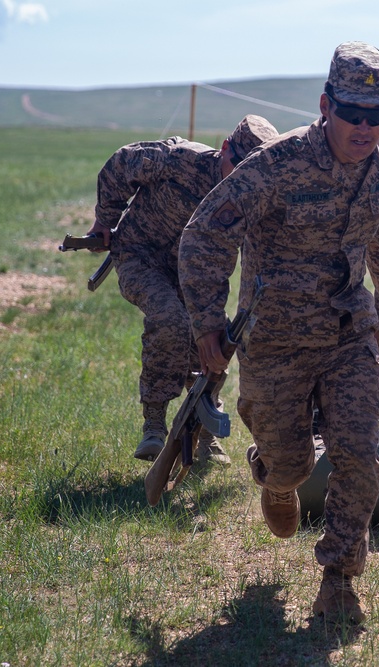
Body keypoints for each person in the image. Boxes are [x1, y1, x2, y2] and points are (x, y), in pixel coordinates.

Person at [178, 41, 379, 624]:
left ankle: (338, 578)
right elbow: (204, 236)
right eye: (353, 114)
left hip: (347, 334)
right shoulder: (274, 167)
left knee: (360, 455)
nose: (364, 128)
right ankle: (276, 476)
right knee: (292, 463)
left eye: (377, 116)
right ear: (326, 105)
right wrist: (208, 320)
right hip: (276, 340)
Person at [87, 114, 279, 462]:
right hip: (140, 256)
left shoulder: (251, 196)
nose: (239, 178)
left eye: (250, 173)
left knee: (214, 341)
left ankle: (203, 433)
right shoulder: (178, 159)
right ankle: (154, 425)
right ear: (224, 149)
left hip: (196, 277)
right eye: (236, 166)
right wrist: (105, 220)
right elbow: (120, 164)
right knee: (170, 319)